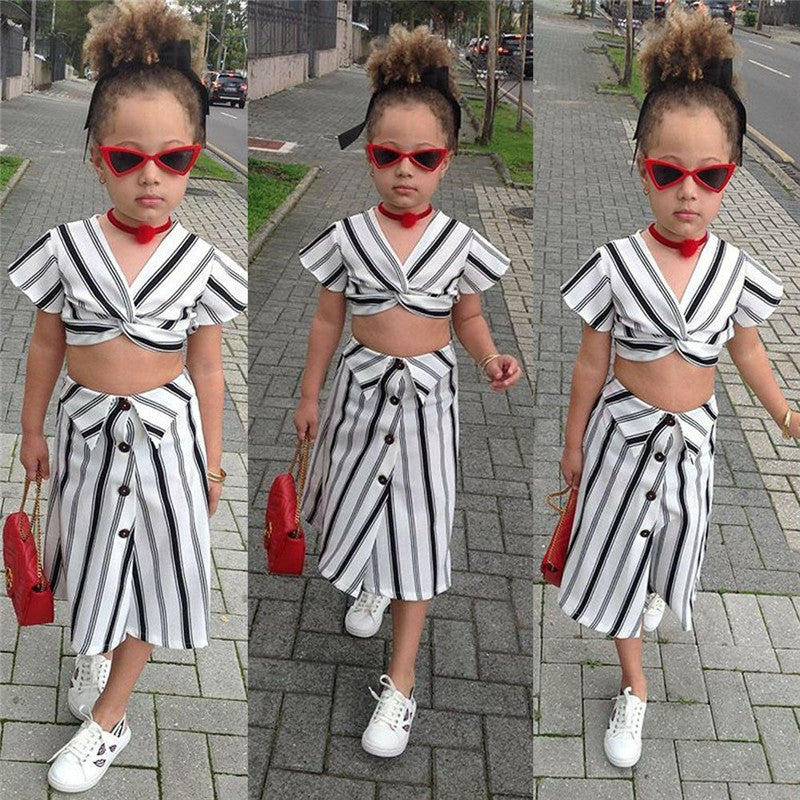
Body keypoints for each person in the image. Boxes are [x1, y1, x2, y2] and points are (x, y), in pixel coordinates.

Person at [6, 0, 247, 791]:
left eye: (173, 159)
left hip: (169, 442)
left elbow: (208, 369)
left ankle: (111, 717)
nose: (151, 176)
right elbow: (47, 346)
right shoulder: (65, 249)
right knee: (87, 553)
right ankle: (93, 646)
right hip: (83, 435)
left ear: (195, 158)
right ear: (95, 158)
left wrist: (213, 461)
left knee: (151, 569)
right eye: (127, 157)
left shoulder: (203, 263)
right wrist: (30, 430)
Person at [558, 7, 795, 769]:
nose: (687, 192)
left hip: (693, 446)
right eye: (669, 172)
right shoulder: (615, 264)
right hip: (621, 442)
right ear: (643, 169)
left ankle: (655, 587)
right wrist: (572, 443)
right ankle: (634, 684)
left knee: (675, 545)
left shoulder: (735, 271)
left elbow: (748, 351)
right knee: (622, 564)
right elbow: (590, 363)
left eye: (709, 176)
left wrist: (786, 414)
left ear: (732, 176)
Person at [293, 24, 522, 758]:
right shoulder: (348, 237)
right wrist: (308, 395)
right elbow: (327, 321)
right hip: (358, 401)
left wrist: (489, 357)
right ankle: (370, 578)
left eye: (423, 158)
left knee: (418, 527)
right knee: (357, 502)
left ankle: (401, 681)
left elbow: (469, 316)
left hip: (429, 407)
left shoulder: (459, 244)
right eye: (388, 155)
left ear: (446, 161)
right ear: (369, 154)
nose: (405, 171)